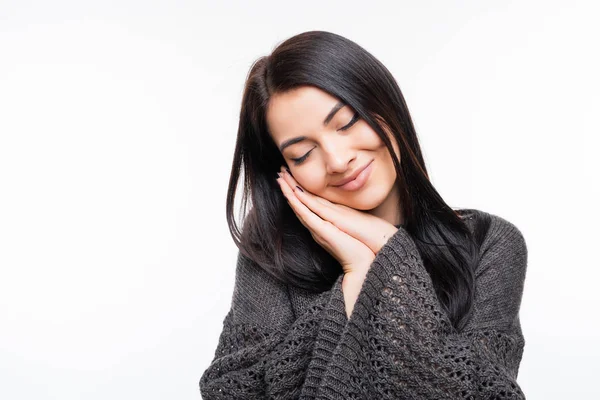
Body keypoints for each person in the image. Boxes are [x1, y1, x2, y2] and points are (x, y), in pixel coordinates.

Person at [199, 30, 528, 399]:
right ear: (284, 169)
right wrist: (355, 278)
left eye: (347, 123)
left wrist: (388, 255)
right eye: (303, 154)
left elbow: (486, 394)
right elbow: (231, 392)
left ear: (384, 103)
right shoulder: (272, 244)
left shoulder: (487, 244)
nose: (339, 161)